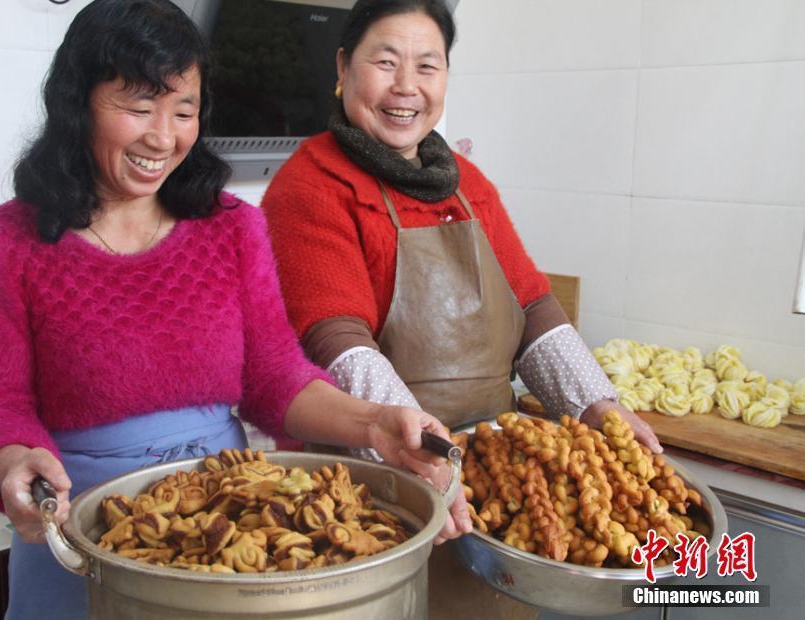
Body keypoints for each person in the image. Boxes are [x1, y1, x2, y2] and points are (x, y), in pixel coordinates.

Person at [0, 1, 470, 618]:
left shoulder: (231, 229)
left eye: (184, 110)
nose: (162, 137)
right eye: (138, 107)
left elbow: (275, 377)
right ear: (76, 102)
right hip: (79, 538)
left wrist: (375, 423)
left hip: (222, 522)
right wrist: (13, 464)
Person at [260, 0, 664, 617]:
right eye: (385, 63)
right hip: (376, 493)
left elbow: (533, 311)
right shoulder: (309, 186)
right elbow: (336, 340)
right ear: (343, 67)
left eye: (428, 66)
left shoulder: (467, 185)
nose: (406, 88)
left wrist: (597, 405)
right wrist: (423, 459)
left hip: (490, 484)